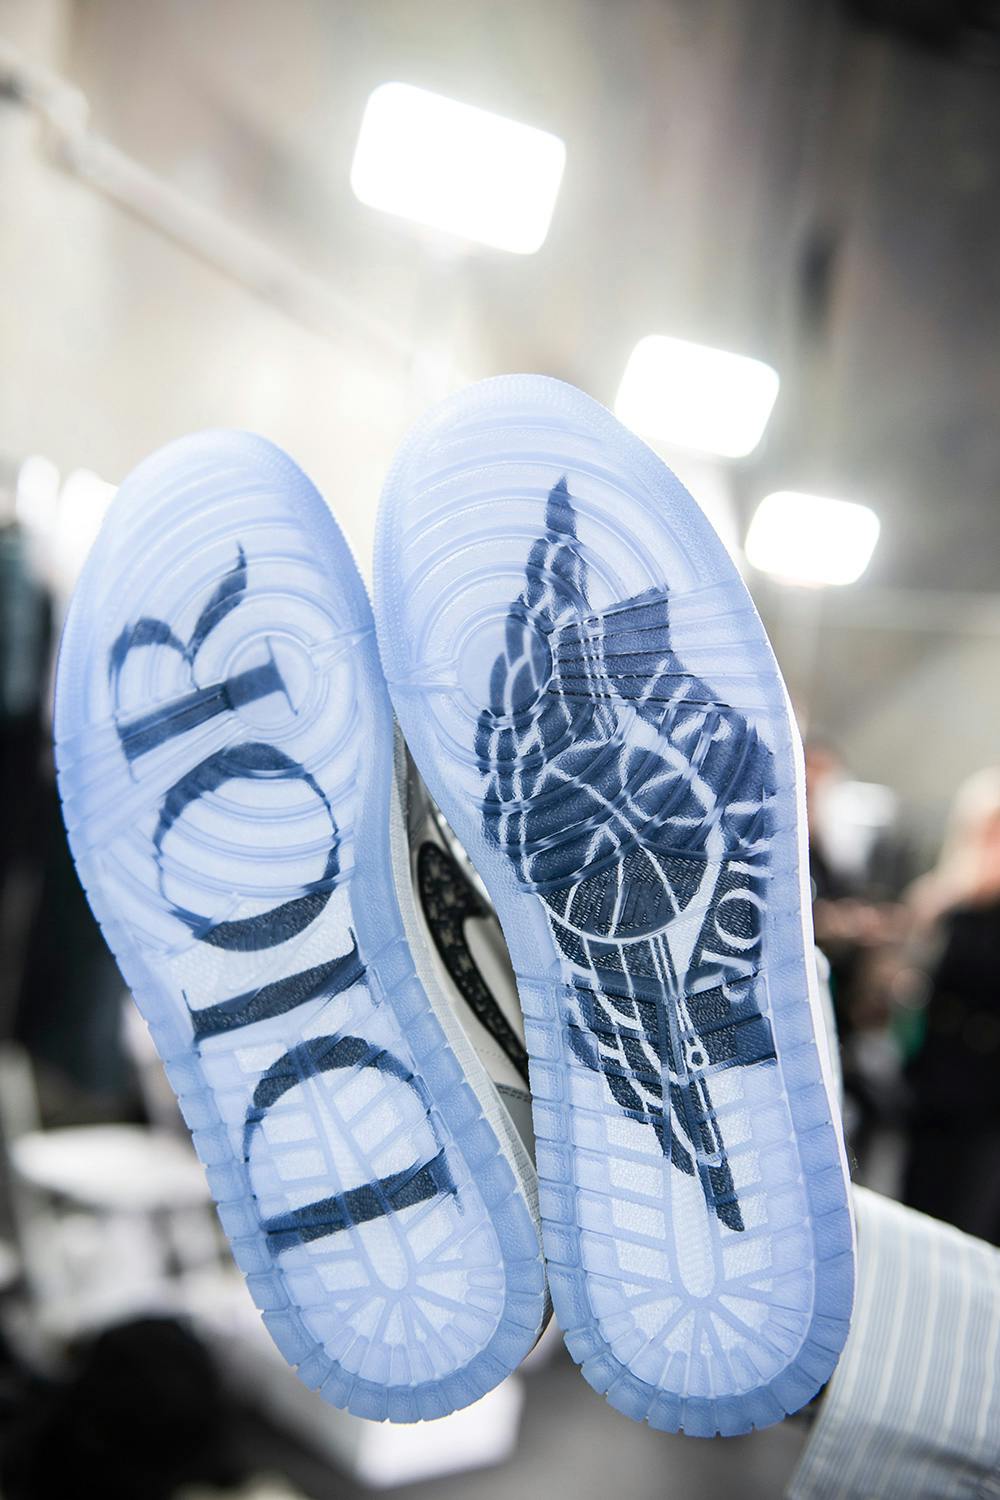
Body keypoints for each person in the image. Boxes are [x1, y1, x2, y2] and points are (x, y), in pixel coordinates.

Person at [901, 767, 1000, 1243]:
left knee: (968, 1220)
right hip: (934, 1081)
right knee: (920, 1207)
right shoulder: (945, 898)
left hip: (987, 1093)